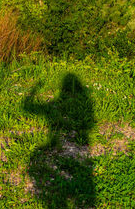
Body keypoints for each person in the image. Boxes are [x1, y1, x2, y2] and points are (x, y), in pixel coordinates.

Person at [23, 73, 95, 208]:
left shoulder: (56, 104)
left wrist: (34, 90)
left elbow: (27, 107)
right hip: (79, 143)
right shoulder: (83, 102)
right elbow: (90, 123)